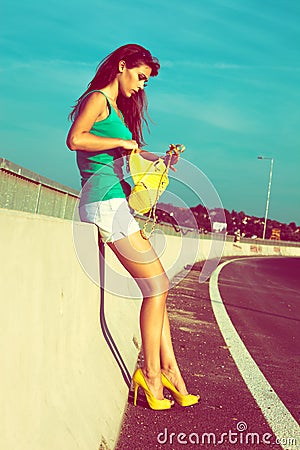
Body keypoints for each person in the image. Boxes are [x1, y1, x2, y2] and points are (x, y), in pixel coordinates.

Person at [66, 44, 199, 410]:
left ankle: (170, 372)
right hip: (103, 204)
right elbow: (75, 139)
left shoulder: (117, 112)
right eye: (140, 77)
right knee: (157, 286)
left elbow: (130, 153)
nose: (141, 86)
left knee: (159, 287)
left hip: (116, 203)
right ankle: (153, 377)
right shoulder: (97, 100)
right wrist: (121, 140)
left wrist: (163, 158)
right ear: (122, 66)